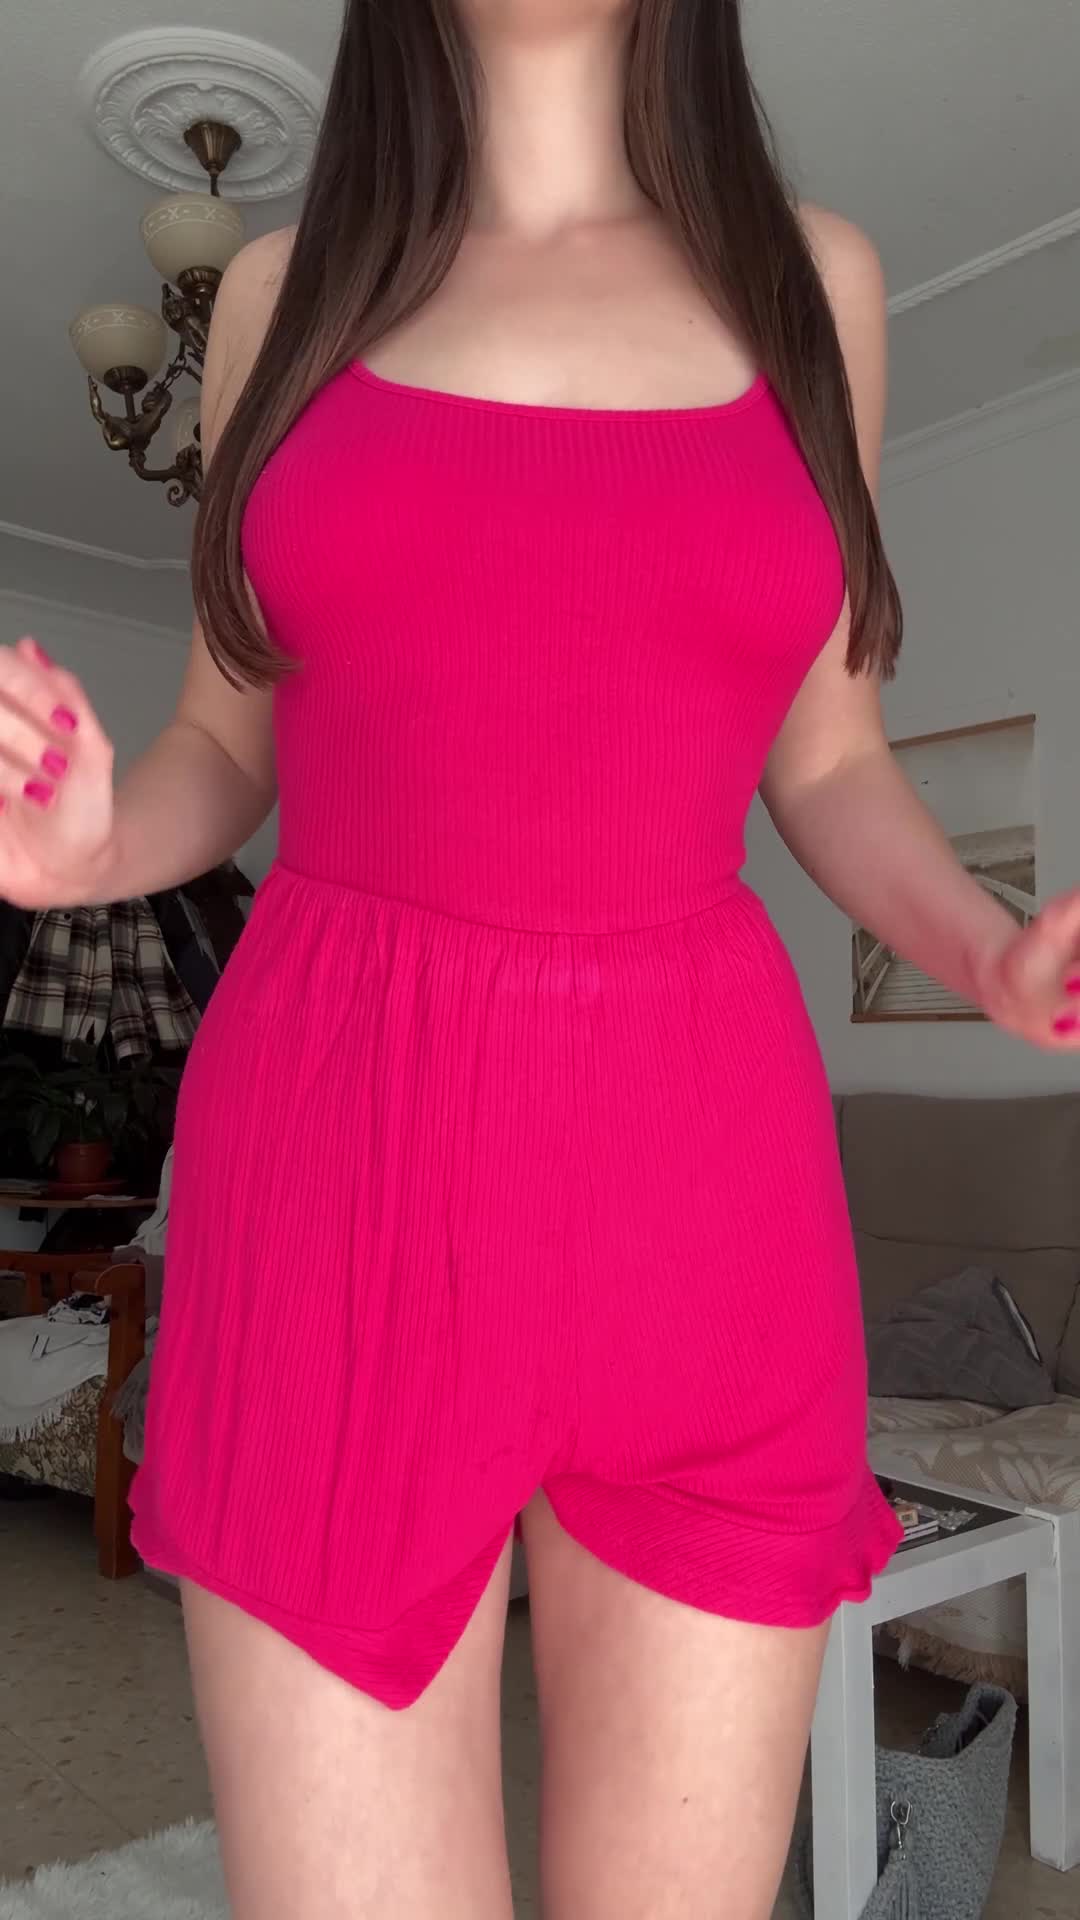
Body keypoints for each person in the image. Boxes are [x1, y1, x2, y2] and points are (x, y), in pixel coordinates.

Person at [1, 3, 1077, 1915]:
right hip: (336, 1175)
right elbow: (225, 740)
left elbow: (829, 758)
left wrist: (988, 954)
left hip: (704, 1191)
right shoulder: (279, 298)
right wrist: (92, 845)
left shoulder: (814, 286)